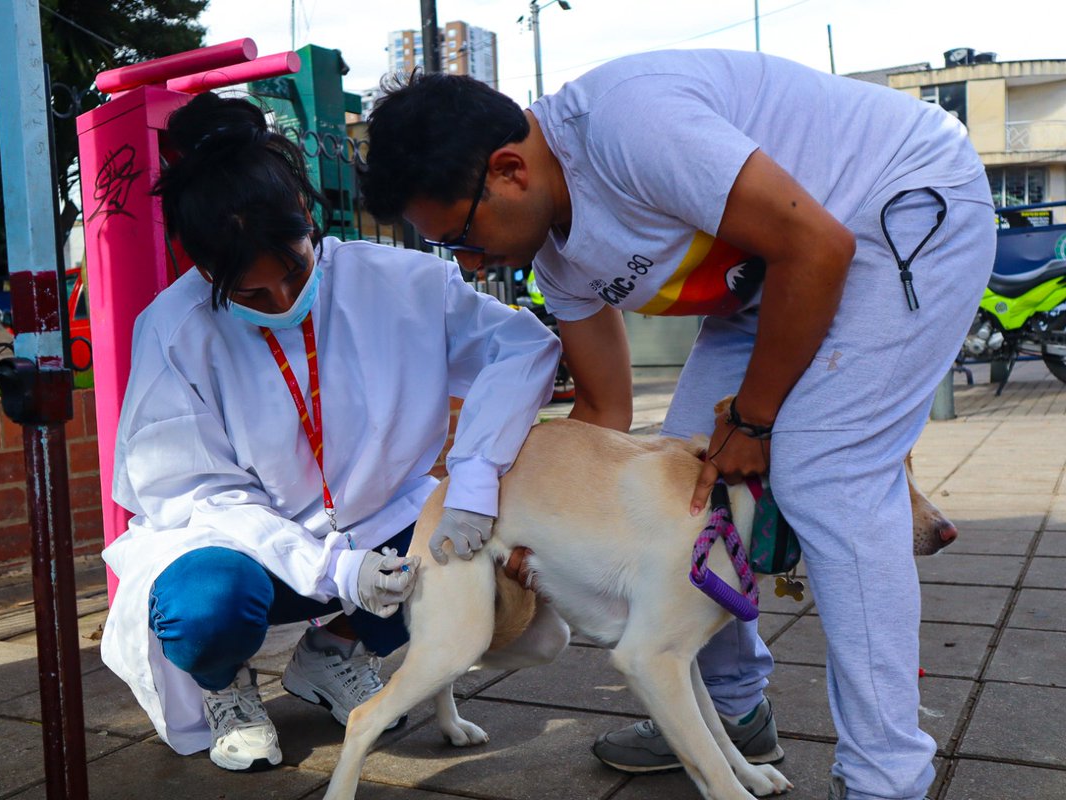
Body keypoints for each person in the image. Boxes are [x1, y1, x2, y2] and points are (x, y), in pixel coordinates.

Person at [360, 50, 995, 800]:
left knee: (828, 478)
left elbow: (817, 246)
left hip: (894, 214)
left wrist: (756, 421)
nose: (467, 266)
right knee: (687, 487)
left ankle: (886, 778)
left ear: (510, 171)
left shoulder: (629, 125)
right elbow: (606, 417)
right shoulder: (558, 263)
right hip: (766, 285)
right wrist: (526, 531)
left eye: (462, 237)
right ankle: (728, 712)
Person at [100, 92, 561, 773]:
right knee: (207, 605)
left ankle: (334, 650)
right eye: (252, 296)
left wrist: (471, 481)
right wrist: (335, 567)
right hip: (243, 551)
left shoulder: (399, 282)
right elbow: (198, 493)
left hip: (373, 530)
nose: (283, 302)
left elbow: (523, 348)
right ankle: (224, 684)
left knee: (472, 553)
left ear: (310, 220)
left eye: (294, 272)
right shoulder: (174, 330)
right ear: (201, 269)